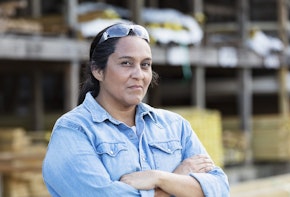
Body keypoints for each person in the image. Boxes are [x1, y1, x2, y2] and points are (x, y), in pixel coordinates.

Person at [42, 22, 229, 197]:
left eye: (145, 65)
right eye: (126, 63)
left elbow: (219, 188)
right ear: (98, 70)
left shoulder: (175, 126)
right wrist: (179, 177)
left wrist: (159, 177)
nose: (139, 75)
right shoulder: (74, 130)